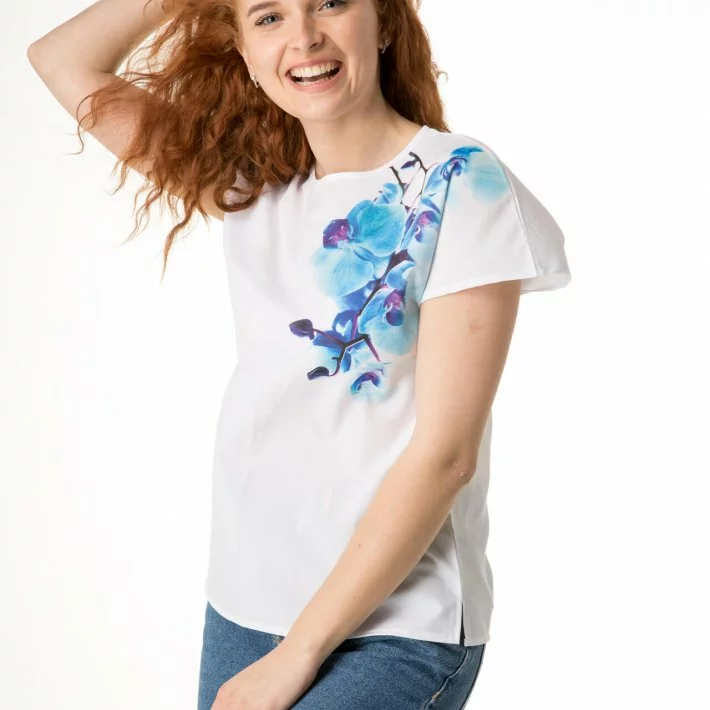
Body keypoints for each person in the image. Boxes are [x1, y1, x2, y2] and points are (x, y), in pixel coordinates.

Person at [27, 0, 572, 707]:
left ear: (384, 22)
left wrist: (300, 653)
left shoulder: (458, 180)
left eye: (331, 3)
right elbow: (61, 61)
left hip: (399, 624)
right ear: (244, 52)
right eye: (268, 17)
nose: (305, 37)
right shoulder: (252, 186)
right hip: (246, 608)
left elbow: (447, 456)